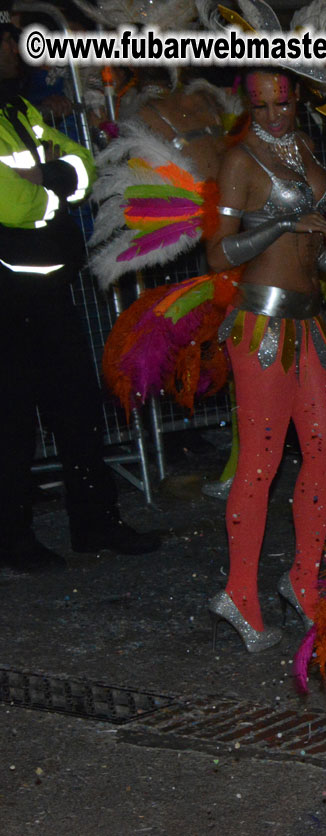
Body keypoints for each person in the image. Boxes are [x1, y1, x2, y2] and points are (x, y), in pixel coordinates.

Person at [0, 7, 160, 572]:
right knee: (13, 421)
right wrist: (55, 189)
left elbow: (83, 165)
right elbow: (11, 205)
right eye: (8, 42)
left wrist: (51, 180)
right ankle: (14, 538)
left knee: (77, 409)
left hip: (51, 292)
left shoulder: (17, 109)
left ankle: (94, 522)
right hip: (9, 297)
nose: (17, 51)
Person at [203, 69, 326, 651]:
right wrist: (285, 221)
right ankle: (239, 591)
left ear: (298, 97)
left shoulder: (306, 146)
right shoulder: (241, 160)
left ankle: (303, 578)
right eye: (260, 108)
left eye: (281, 103)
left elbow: (314, 245)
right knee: (260, 463)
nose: (273, 116)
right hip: (261, 324)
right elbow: (218, 252)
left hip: (311, 321)